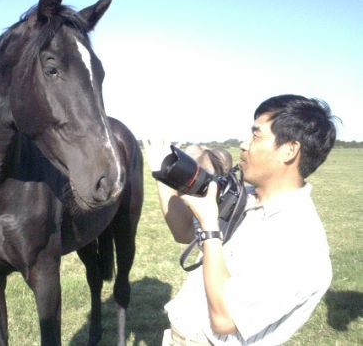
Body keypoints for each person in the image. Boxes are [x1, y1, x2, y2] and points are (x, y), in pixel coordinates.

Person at [144, 94, 337, 346]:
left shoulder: (302, 244)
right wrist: (164, 174)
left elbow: (224, 319)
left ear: (290, 150)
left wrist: (211, 228)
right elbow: (183, 233)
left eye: (256, 136)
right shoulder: (246, 199)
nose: (244, 145)